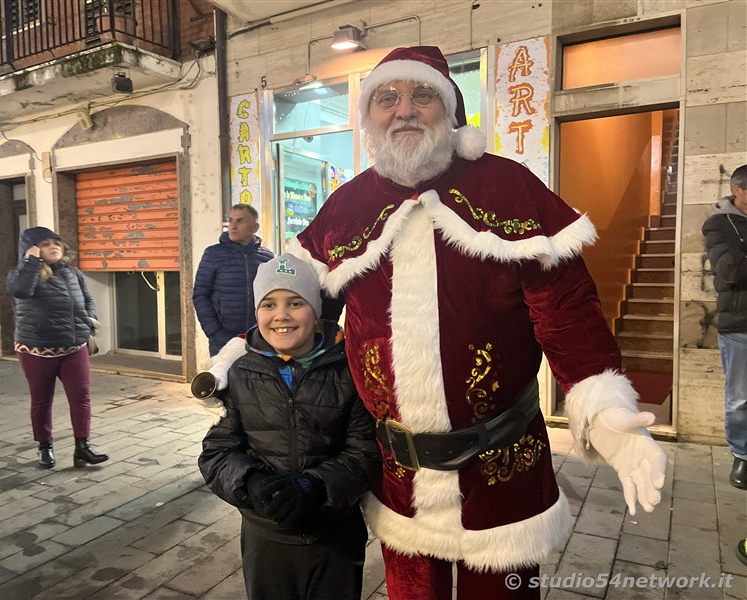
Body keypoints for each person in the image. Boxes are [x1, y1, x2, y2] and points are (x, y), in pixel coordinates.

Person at [281, 46, 667, 599]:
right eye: (387, 98)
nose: (404, 110)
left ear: (452, 110)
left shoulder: (507, 188)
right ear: (369, 116)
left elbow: (568, 312)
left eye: (423, 95)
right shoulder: (346, 206)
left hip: (503, 468)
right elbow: (297, 309)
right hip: (399, 474)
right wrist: (245, 368)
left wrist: (605, 413)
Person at [198, 253, 381, 600]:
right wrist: (250, 482)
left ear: (315, 312)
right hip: (264, 536)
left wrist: (312, 486)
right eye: (269, 304)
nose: (281, 315)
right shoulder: (240, 375)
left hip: (334, 534)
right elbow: (217, 453)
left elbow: (365, 452)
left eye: (295, 302)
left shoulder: (349, 371)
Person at [7, 227, 108, 469]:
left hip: (74, 346)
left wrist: (89, 324)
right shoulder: (22, 274)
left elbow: (87, 299)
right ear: (32, 250)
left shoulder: (72, 272)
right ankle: (44, 447)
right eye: (44, 244)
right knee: (42, 400)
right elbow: (20, 290)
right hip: (36, 349)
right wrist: (31, 260)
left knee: (81, 397)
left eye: (56, 243)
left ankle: (82, 447)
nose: (53, 247)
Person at [702, 163, 747, 490]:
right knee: (741, 397)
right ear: (738, 190)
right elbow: (731, 271)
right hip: (740, 321)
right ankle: (742, 456)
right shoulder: (719, 225)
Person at [192, 204, 274, 356]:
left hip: (258, 335)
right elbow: (200, 294)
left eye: (240, 221)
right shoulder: (213, 254)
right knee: (224, 378)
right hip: (223, 336)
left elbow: (272, 295)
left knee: (258, 378)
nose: (233, 226)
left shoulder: (267, 257)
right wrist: (213, 331)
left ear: (254, 227)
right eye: (231, 221)